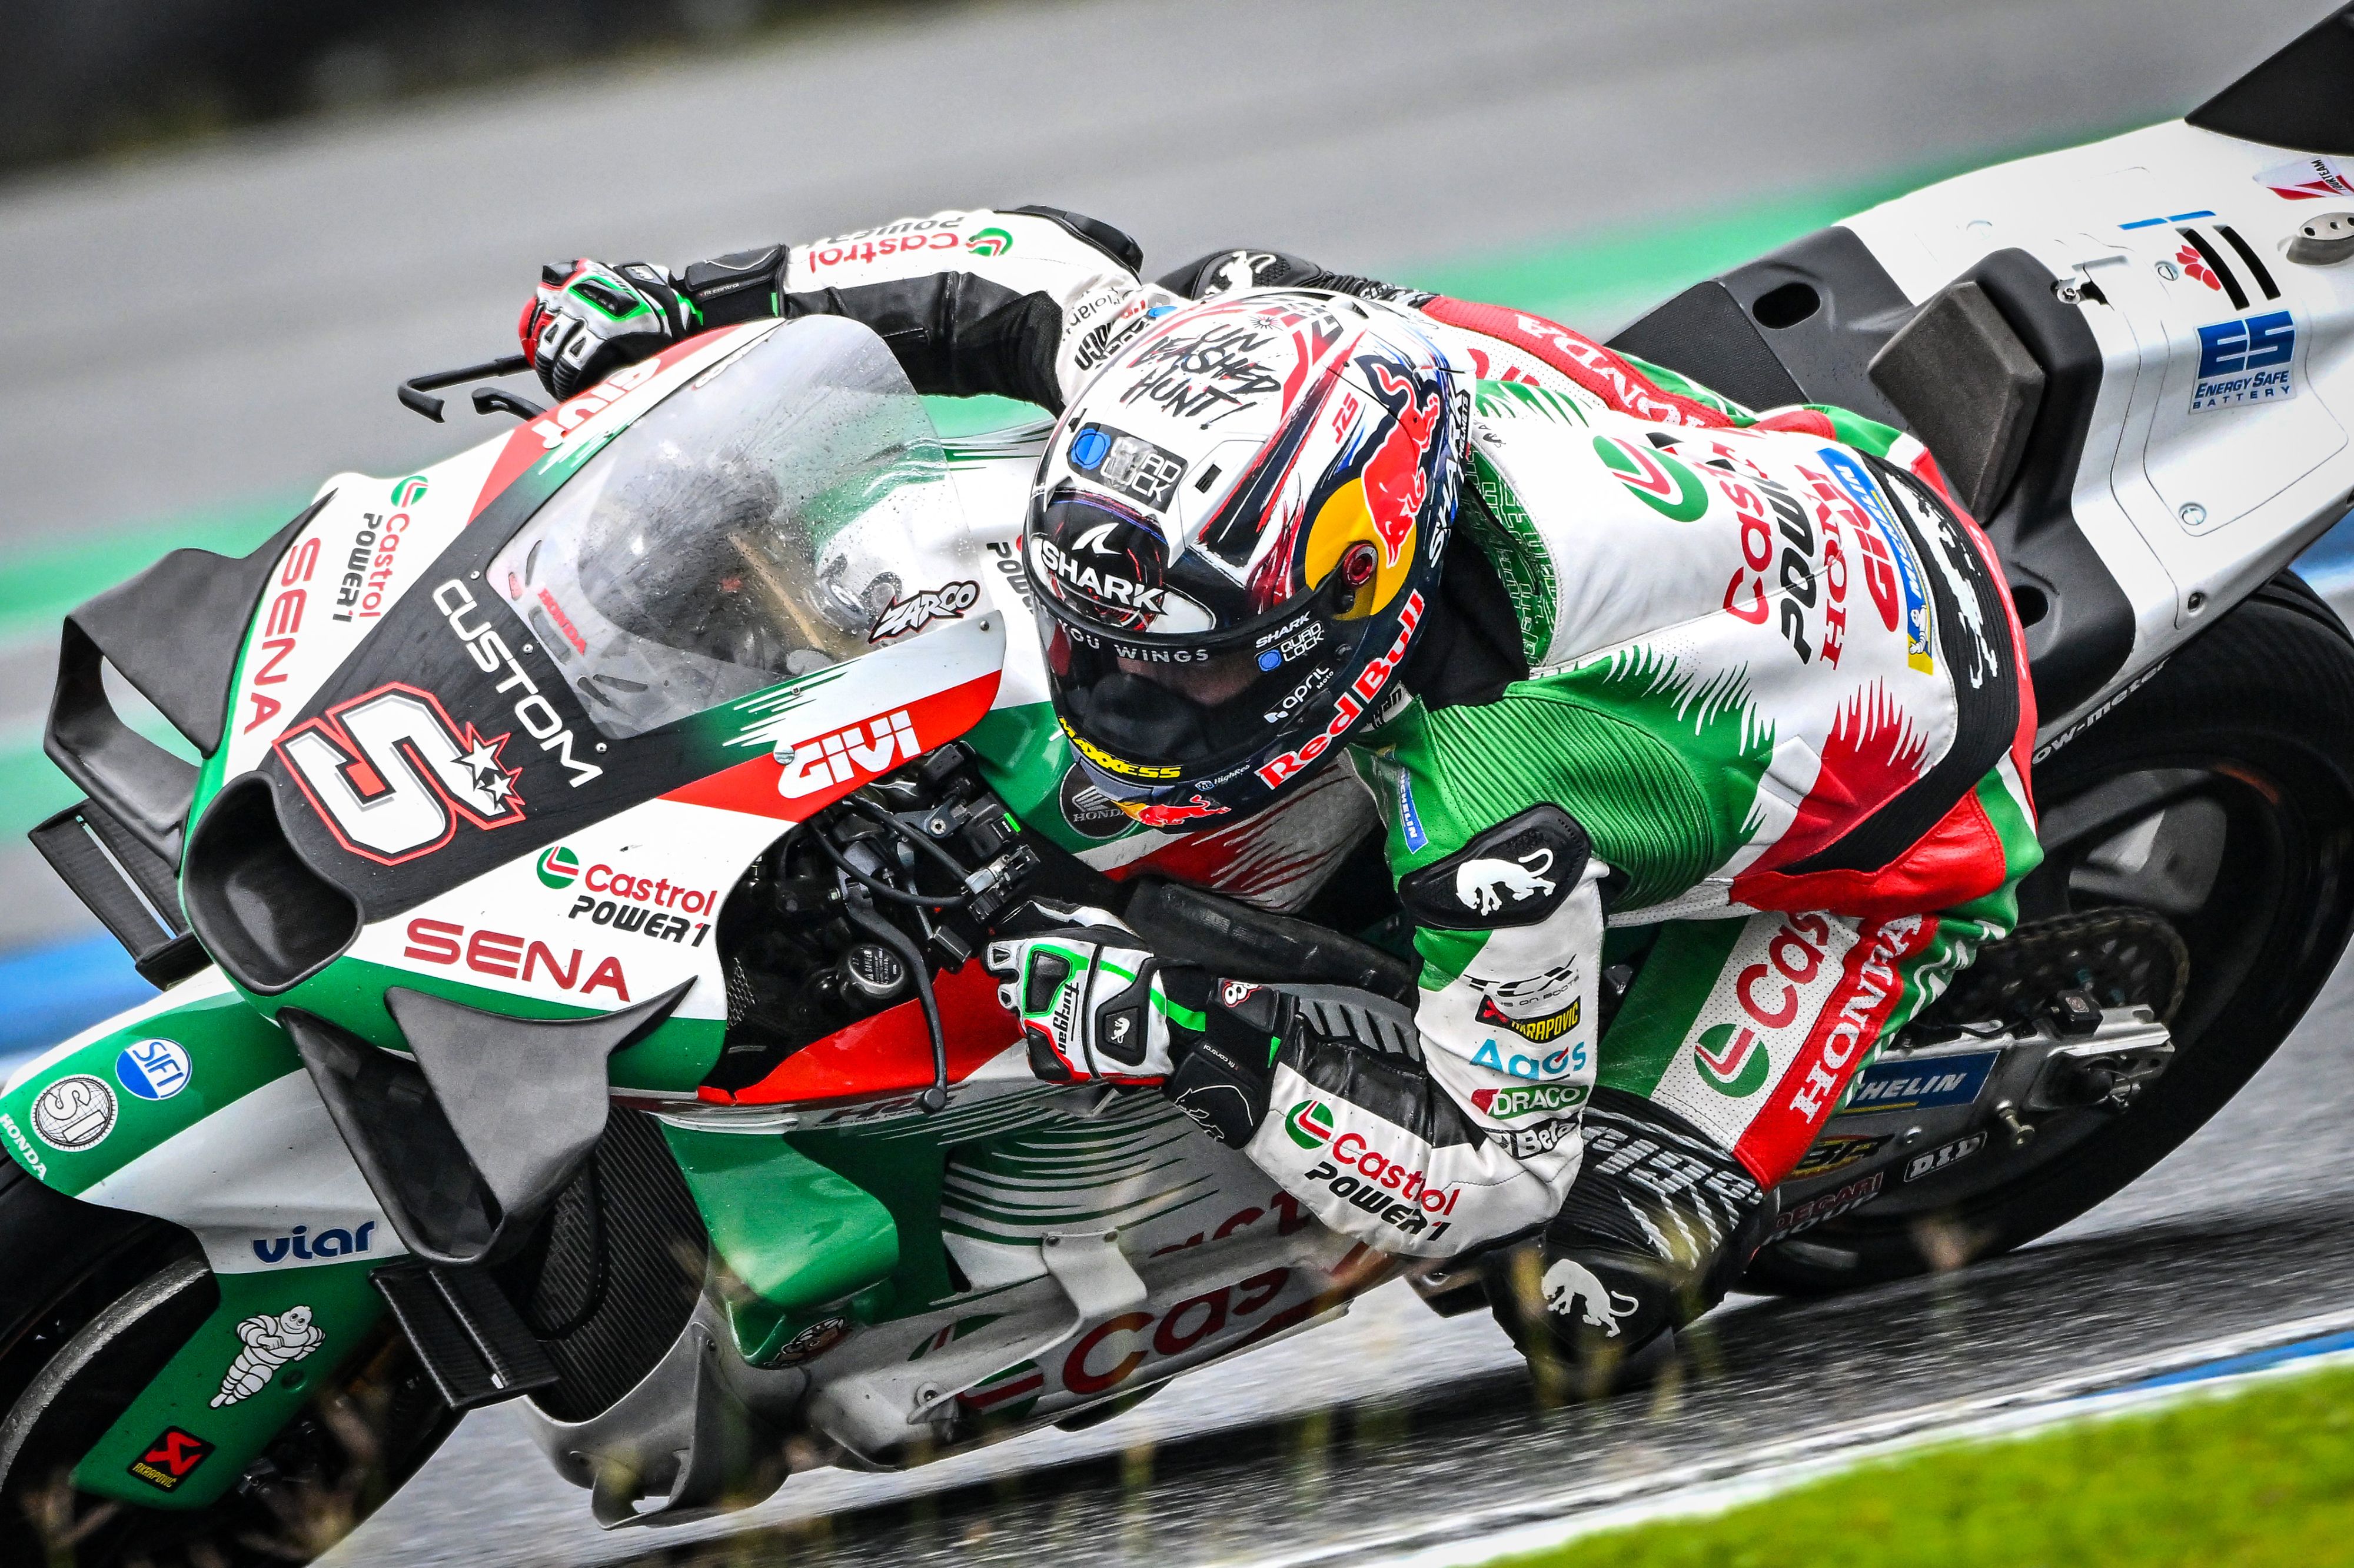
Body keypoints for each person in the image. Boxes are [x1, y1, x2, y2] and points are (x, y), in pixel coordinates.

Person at [518, 207, 2040, 1371]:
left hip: (1912, 795)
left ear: (1349, 619)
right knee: (1228, 284)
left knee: (1573, 1288)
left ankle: (1810, 1054)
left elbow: (1490, 1171)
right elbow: (1022, 265)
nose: (1118, 699)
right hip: (1723, 471)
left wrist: (1188, 1026)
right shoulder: (1225, 364)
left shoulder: (1496, 795)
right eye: (1103, 651)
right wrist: (701, 303)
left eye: (1177, 675)